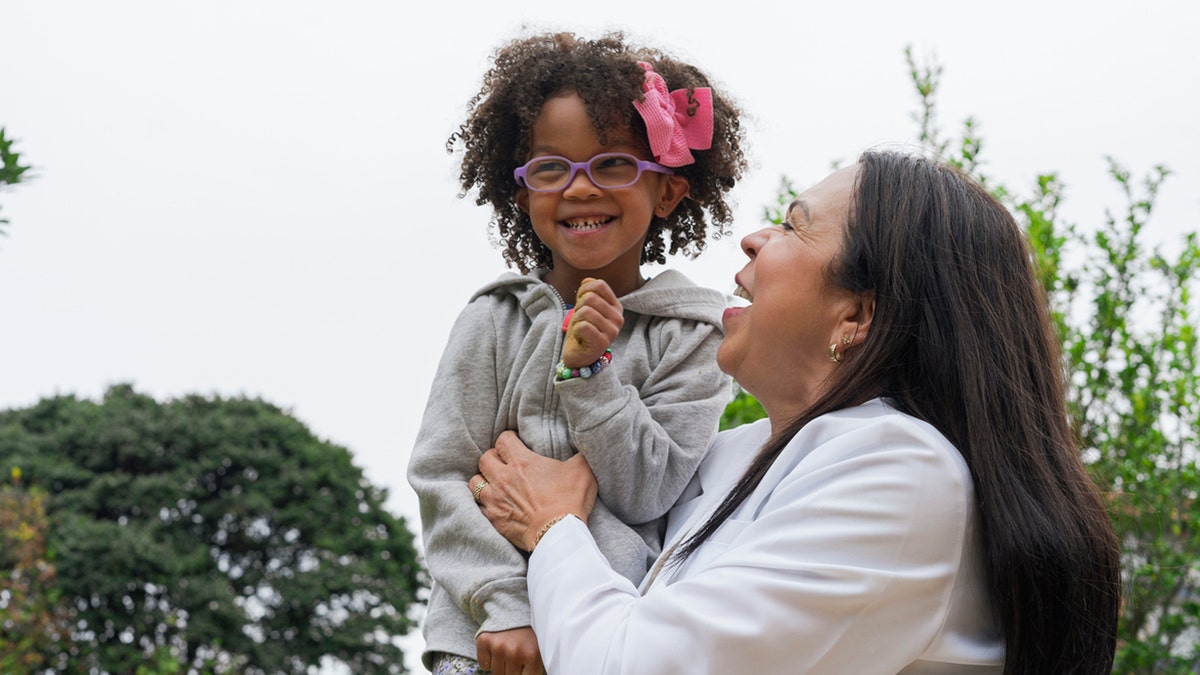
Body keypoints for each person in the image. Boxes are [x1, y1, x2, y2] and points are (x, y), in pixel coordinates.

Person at [473, 151, 1122, 674]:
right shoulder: (728, 458)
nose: (753, 239)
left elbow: (630, 663)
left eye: (790, 224)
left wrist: (554, 524)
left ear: (857, 315)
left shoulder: (902, 473)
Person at [408, 32, 748, 675]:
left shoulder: (694, 336)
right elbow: (441, 475)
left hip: (611, 636)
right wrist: (509, 606)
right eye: (551, 168)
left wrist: (591, 375)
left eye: (614, 164)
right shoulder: (490, 321)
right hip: (482, 640)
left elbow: (650, 491)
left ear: (668, 192)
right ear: (523, 194)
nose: (581, 188)